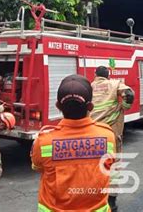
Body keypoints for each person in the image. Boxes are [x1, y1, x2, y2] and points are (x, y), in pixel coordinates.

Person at [31, 74, 116, 211]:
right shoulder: (107, 136)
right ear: (90, 106)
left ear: (58, 106)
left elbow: (37, 167)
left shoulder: (44, 141)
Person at [90, 66, 134, 211]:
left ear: (95, 75)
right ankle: (111, 202)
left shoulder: (89, 87)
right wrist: (125, 106)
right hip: (112, 133)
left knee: (94, 166)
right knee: (113, 166)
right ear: (108, 75)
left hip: (93, 134)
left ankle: (95, 199)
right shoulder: (115, 84)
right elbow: (129, 93)